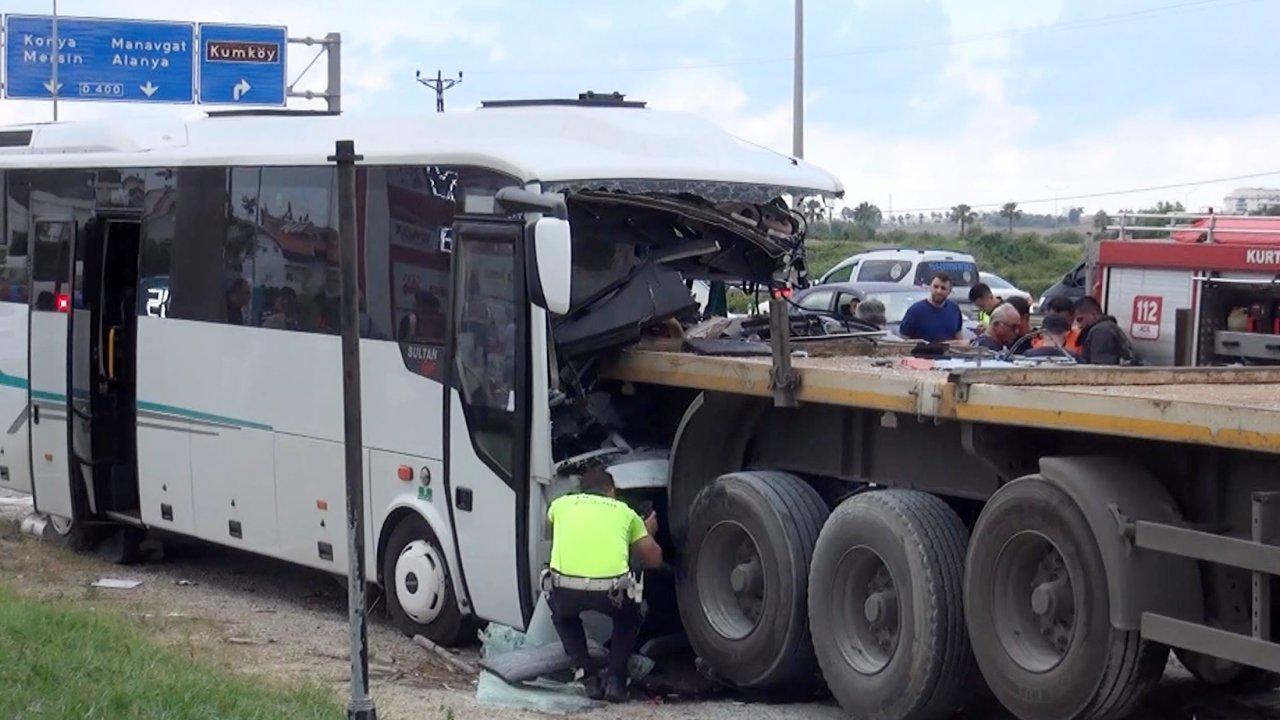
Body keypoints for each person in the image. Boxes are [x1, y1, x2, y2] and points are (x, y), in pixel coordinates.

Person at [547, 467, 663, 702]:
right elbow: (654, 560)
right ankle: (616, 680)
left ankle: (586, 676)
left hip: (565, 588)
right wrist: (647, 532)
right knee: (628, 617)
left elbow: (554, 530)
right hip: (610, 592)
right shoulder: (625, 512)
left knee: (563, 616)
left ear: (581, 490)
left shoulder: (559, 505)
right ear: (611, 491)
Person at [898, 272, 966, 343]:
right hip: (922, 353)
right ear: (930, 287)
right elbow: (904, 340)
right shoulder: (915, 311)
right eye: (936, 287)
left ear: (949, 291)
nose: (938, 291)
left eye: (943, 288)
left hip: (949, 353)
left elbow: (959, 337)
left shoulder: (954, 309)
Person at [1074, 296, 1137, 365]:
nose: (1078, 325)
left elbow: (1101, 368)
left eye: (1079, 319)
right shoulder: (1106, 328)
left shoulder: (1101, 331)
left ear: (1093, 314)